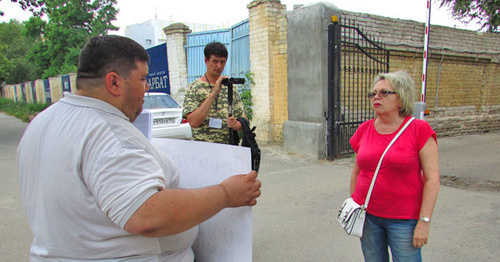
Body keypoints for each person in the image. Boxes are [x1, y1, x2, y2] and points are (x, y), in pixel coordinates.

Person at [17, 35, 261, 261]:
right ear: (114, 82)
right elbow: (147, 215)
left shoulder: (42, 122)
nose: (147, 88)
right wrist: (226, 194)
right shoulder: (107, 132)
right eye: (142, 79)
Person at [349, 71, 440, 261]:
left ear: (401, 97)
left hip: (404, 221)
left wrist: (424, 222)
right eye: (373, 93)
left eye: (384, 93)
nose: (376, 97)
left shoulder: (419, 130)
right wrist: (354, 205)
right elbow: (357, 172)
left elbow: (432, 180)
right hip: (368, 217)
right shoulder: (364, 129)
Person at [183, 42, 246, 144]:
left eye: (222, 62)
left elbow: (243, 117)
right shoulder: (194, 87)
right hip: (204, 151)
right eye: (215, 61)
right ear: (206, 61)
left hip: (227, 149)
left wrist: (237, 124)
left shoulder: (231, 87)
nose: (219, 66)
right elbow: (193, 122)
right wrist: (214, 93)